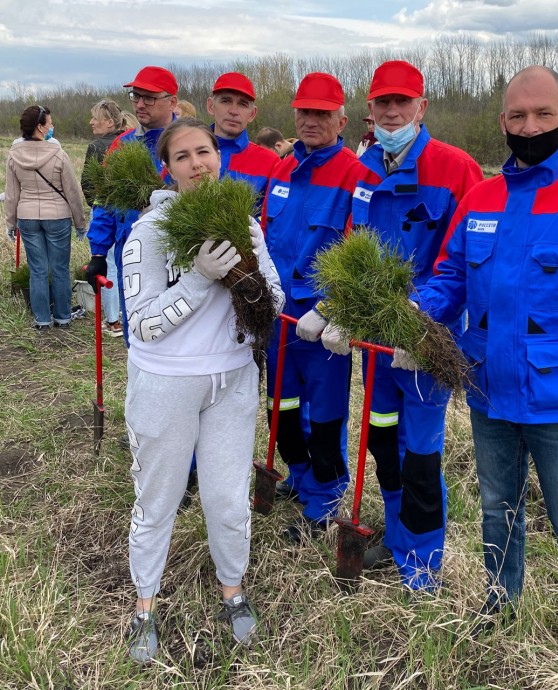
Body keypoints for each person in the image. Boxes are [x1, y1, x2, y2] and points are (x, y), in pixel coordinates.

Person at [409, 65, 558, 667]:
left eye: (543, 114)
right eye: (518, 116)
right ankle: (500, 602)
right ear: (502, 122)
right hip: (489, 391)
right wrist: (414, 316)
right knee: (497, 510)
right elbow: (450, 278)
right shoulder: (481, 199)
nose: (529, 126)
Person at [122, 118, 284, 663]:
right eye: (183, 157)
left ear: (220, 157)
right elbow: (143, 324)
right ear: (168, 169)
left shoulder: (244, 223)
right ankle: (145, 605)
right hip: (166, 384)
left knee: (227, 498)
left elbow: (276, 300)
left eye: (204, 152)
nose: (197, 164)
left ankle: (232, 591)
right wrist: (197, 278)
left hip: (233, 379)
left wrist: (248, 277)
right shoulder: (149, 232)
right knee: (158, 499)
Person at [320, 60, 483, 591]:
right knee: (382, 441)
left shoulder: (456, 169)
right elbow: (352, 248)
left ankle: (423, 564)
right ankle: (396, 537)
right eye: (383, 102)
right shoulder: (365, 170)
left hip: (425, 340)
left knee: (420, 454)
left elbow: (467, 261)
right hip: (376, 344)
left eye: (402, 102)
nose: (392, 112)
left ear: (421, 106)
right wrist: (339, 309)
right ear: (369, 109)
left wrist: (425, 323)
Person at [262, 72, 364, 541]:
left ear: (341, 120)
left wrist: (334, 309)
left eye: (322, 113)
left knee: (323, 416)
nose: (310, 120)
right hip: (277, 317)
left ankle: (325, 501)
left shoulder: (356, 175)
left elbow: (359, 252)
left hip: (320, 323)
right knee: (281, 408)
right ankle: (301, 480)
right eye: (304, 111)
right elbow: (266, 237)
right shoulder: (281, 171)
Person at [84, 65, 178, 344]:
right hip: (130, 255)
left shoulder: (188, 141)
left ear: (172, 101)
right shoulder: (121, 145)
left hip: (175, 259)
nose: (140, 104)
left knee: (172, 335)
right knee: (135, 332)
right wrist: (98, 253)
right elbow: (105, 201)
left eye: (149, 97)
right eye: (136, 96)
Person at [4, 105, 85, 330]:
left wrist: (10, 223)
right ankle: (63, 317)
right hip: (57, 216)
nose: (52, 126)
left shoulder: (13, 155)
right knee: (60, 269)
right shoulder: (58, 154)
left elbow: (12, 194)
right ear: (40, 127)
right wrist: (80, 223)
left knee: (37, 270)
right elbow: (72, 192)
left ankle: (42, 320)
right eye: (49, 123)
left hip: (27, 217)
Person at [82, 99, 129, 337]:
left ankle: (113, 321)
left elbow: (88, 183)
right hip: (129, 213)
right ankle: (127, 313)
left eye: (96, 118)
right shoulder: (131, 142)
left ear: (110, 122)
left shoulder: (97, 146)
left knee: (108, 265)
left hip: (106, 212)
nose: (91, 122)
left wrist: (98, 205)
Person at [206, 72, 279, 204]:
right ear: (211, 106)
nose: (233, 111)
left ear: (252, 114)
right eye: (226, 101)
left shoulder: (270, 163)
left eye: (242, 104)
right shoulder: (185, 154)